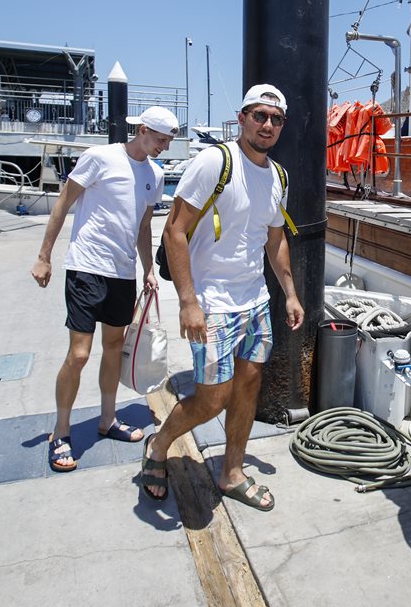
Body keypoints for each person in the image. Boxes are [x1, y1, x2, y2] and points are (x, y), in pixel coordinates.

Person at [140, 84, 304, 509]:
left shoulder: (278, 176)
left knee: (248, 388)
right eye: (259, 115)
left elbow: (274, 239)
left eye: (276, 119)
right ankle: (159, 445)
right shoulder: (216, 161)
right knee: (212, 398)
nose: (267, 125)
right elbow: (174, 230)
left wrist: (289, 293)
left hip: (255, 302)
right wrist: (188, 302)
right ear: (242, 118)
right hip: (212, 303)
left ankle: (232, 472)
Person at [31, 105, 178, 472]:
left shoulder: (155, 174)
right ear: (142, 130)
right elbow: (63, 202)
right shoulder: (100, 157)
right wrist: (44, 256)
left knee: (114, 348)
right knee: (79, 354)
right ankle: (61, 431)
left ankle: (107, 419)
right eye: (160, 139)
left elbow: (143, 226)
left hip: (122, 273)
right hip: (86, 267)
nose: (164, 147)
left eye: (168, 141)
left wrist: (148, 269)